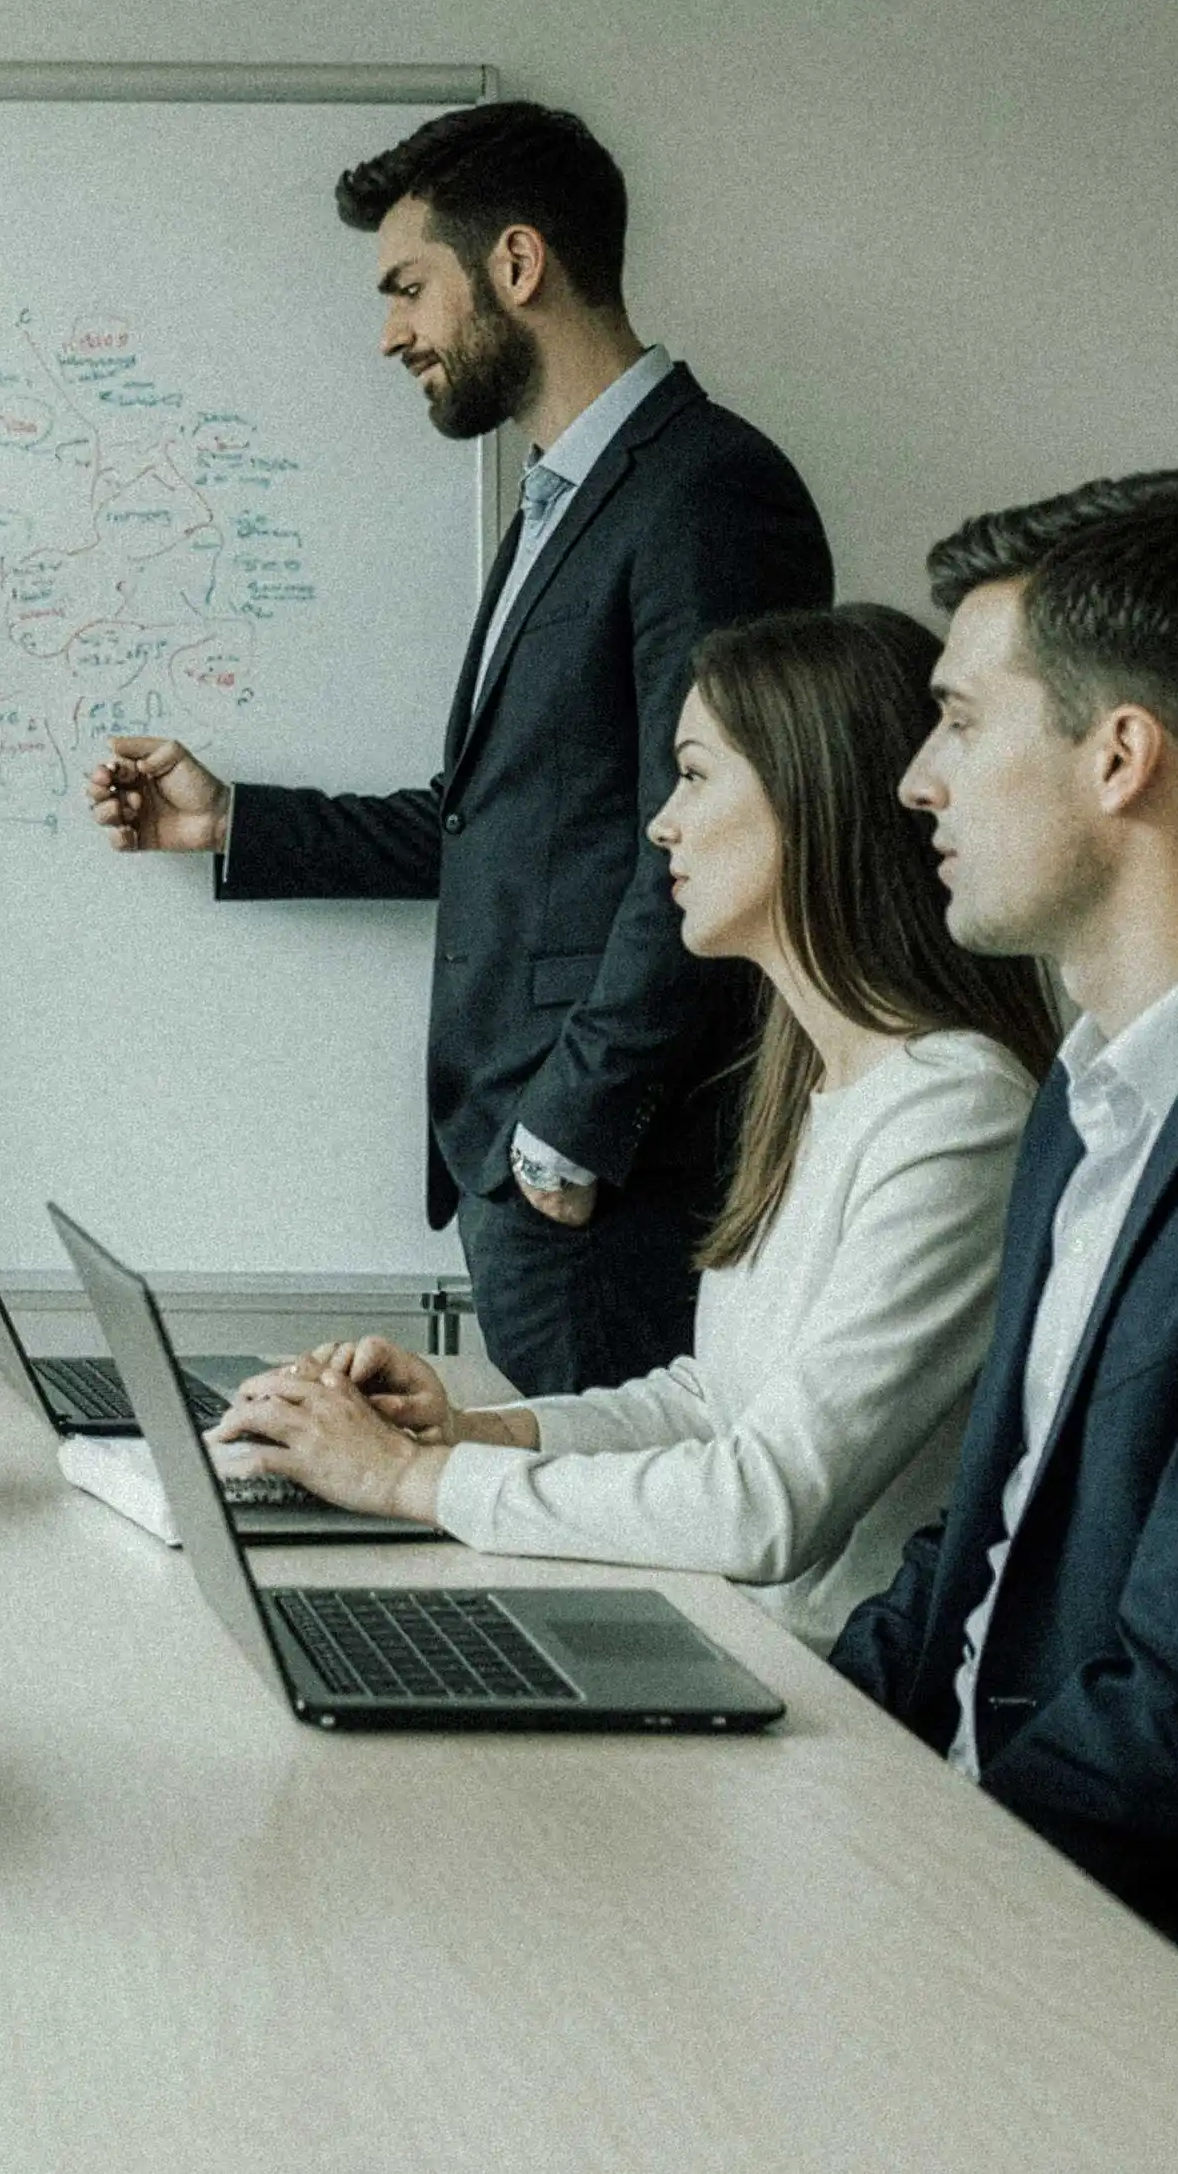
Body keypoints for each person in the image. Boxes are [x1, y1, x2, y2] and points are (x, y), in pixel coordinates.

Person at [85, 102, 832, 1395]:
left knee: (617, 1564)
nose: (390, 335)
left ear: (519, 265)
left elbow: (725, 837)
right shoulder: (566, 499)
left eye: (408, 288)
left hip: (612, 1184)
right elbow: (493, 818)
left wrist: (567, 1139)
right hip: (534, 1177)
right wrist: (225, 822)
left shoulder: (708, 494)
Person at [206, 606, 1056, 1651]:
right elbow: (713, 1402)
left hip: (831, 1702)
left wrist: (412, 1479)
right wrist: (473, 1430)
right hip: (731, 1643)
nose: (660, 822)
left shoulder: (954, 1111)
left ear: (812, 800)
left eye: (694, 776)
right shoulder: (812, 1078)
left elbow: (765, 1504)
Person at [829, 474, 1178, 2054]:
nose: (919, 780)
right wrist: (774, 1738)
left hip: (1174, 1959)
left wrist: (871, 1878)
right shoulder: (1097, 1077)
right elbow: (985, 1543)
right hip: (1012, 1867)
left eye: (960, 721)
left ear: (1121, 754)